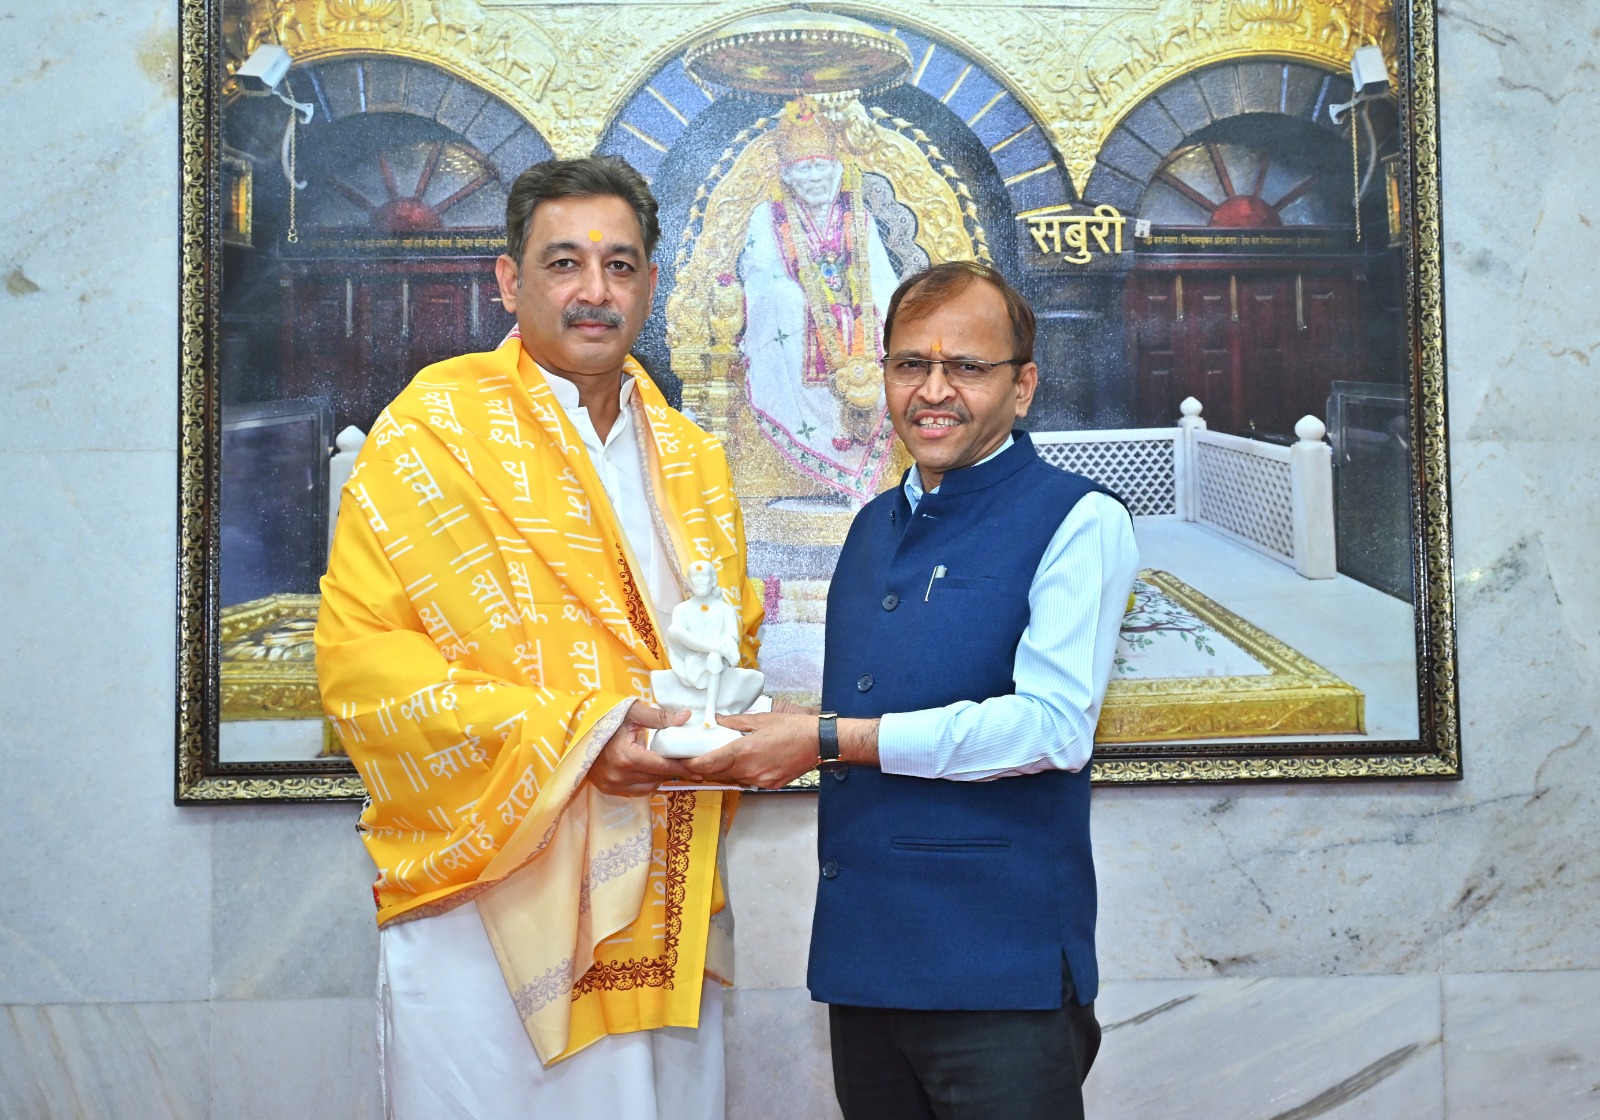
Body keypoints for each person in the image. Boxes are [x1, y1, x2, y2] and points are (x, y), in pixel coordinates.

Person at [314, 155, 762, 1119]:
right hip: (489, 899)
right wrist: (588, 738)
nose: (595, 290)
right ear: (509, 280)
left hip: (659, 891)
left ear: (650, 283)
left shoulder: (692, 458)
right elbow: (363, 667)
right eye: (565, 263)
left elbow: (729, 636)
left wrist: (714, 717)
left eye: (620, 265)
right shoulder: (432, 434)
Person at [688, 261, 1139, 1119]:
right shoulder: (872, 525)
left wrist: (826, 738)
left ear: (1022, 387)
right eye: (910, 365)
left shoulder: (1079, 519)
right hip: (864, 965)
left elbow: (1050, 729)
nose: (933, 392)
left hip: (998, 974)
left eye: (966, 367)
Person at [738, 97, 901, 503]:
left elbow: (881, 278)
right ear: (788, 176)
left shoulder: (858, 216)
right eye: (805, 169)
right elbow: (763, 276)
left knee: (887, 321)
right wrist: (810, 305)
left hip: (857, 320)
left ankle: (863, 470)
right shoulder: (767, 217)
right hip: (797, 321)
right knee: (783, 302)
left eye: (821, 167)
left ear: (836, 170)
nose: (814, 177)